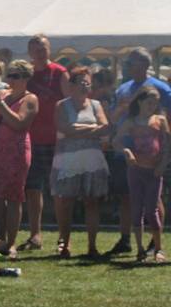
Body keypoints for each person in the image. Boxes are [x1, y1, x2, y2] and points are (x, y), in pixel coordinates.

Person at [108, 47, 171, 255]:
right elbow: (114, 118)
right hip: (127, 150)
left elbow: (167, 117)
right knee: (127, 196)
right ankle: (126, 239)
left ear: (144, 65)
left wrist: (164, 153)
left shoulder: (161, 88)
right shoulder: (123, 88)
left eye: (130, 63)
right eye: (126, 63)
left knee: (154, 198)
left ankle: (155, 243)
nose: (127, 67)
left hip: (153, 153)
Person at [51, 67, 111, 258]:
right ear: (72, 84)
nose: (85, 86)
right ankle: (65, 243)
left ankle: (92, 246)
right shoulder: (62, 105)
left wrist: (76, 129)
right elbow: (63, 128)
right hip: (68, 160)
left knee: (92, 202)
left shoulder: (96, 105)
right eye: (81, 82)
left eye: (88, 82)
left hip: (92, 160)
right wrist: (90, 128)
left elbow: (104, 128)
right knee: (66, 202)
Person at [0, 60, 38, 259]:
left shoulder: (30, 99)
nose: (10, 79)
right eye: (9, 75)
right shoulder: (3, 95)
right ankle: (1, 238)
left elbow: (19, 124)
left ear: (25, 78)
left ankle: (11, 243)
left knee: (14, 197)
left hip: (16, 151)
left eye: (15, 76)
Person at [23, 34, 70, 251]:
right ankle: (35, 235)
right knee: (33, 188)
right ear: (30, 52)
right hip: (31, 138)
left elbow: (69, 104)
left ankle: (63, 237)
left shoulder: (59, 72)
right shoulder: (27, 74)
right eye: (36, 48)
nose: (40, 52)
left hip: (56, 139)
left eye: (43, 48)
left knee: (59, 189)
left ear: (49, 49)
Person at [114, 86, 169, 263]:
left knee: (152, 209)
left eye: (155, 103)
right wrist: (127, 151)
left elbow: (167, 145)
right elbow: (116, 140)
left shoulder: (160, 120)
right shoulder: (131, 122)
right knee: (136, 208)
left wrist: (163, 164)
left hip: (154, 171)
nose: (152, 106)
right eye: (149, 102)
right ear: (140, 102)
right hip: (136, 169)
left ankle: (158, 248)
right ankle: (139, 249)